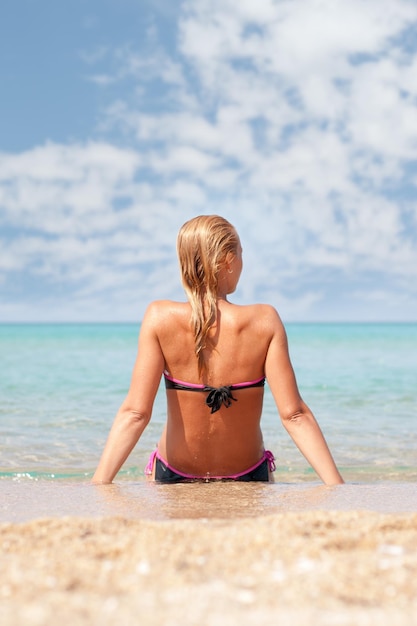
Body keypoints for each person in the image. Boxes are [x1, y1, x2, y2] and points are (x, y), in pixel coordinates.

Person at [92, 215, 344, 485]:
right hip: (248, 475)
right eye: (241, 254)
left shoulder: (159, 318)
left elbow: (135, 414)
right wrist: (336, 486)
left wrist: (98, 485)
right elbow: (294, 415)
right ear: (228, 260)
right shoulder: (264, 321)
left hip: (173, 474)